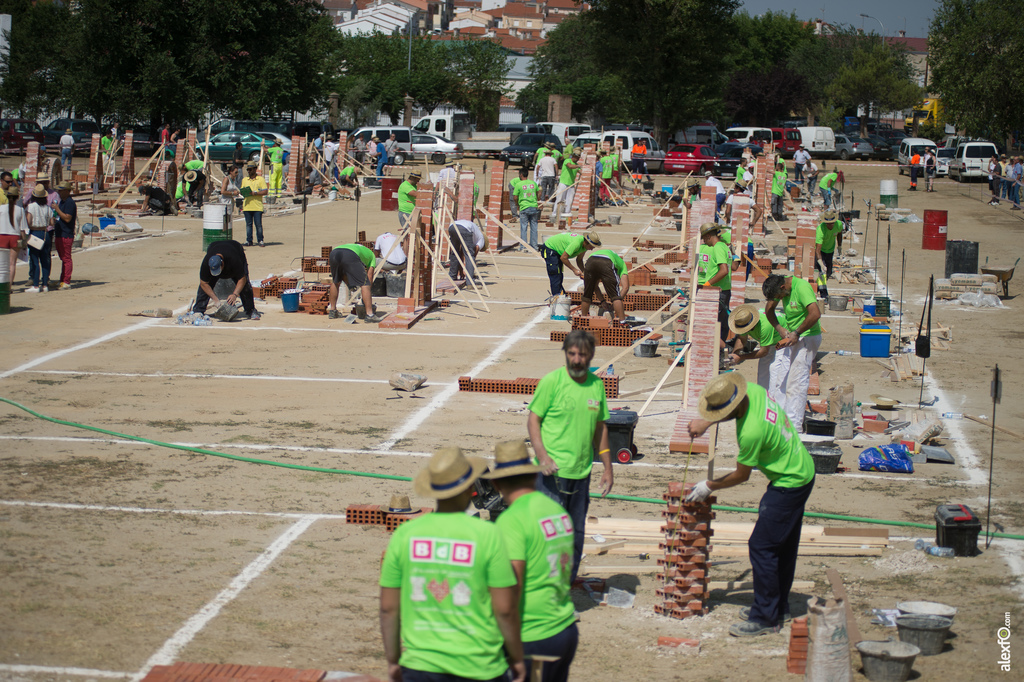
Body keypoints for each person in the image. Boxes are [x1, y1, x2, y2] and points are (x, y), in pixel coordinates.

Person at [380, 447, 526, 682]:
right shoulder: (488, 535)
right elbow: (505, 609)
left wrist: (393, 660)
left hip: (420, 666)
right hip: (479, 665)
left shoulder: (405, 535)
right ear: (471, 488)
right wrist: (517, 658)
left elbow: (388, 609)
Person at [685, 372, 815, 636]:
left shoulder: (751, 432)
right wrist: (706, 423)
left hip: (789, 483)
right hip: (801, 469)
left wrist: (709, 485)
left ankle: (766, 618)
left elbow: (741, 475)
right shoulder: (753, 391)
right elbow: (732, 409)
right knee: (783, 545)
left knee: (762, 546)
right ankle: (779, 607)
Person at [485, 441, 578, 682]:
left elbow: (511, 588)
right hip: (564, 627)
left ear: (496, 483)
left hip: (532, 635)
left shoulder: (511, 520)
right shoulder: (557, 511)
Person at [528, 329, 613, 583]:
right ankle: (545, 592)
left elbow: (601, 427)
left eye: (582, 355)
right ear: (566, 353)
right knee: (550, 537)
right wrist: (541, 455)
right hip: (550, 476)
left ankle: (562, 591)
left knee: (575, 536)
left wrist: (608, 468)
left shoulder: (597, 386)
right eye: (572, 354)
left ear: (591, 356)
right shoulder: (551, 382)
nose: (576, 360)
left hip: (581, 474)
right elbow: (534, 420)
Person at [762, 273, 822, 433]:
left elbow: (815, 314)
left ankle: (794, 429)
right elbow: (769, 310)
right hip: (793, 337)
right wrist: (780, 329)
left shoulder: (801, 287)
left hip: (808, 337)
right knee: (782, 379)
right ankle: (780, 420)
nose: (779, 299)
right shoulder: (780, 288)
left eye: (778, 296)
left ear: (783, 287)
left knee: (797, 383)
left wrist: (797, 332)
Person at [193, 240, 261, 320]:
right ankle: (198, 310)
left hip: (235, 250)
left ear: (222, 264)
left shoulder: (233, 259)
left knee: (245, 286)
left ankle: (251, 310)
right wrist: (215, 300)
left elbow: (242, 279)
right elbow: (203, 283)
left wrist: (235, 294)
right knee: (206, 285)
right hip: (214, 246)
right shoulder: (207, 262)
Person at [726, 305, 783, 399]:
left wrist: (741, 357)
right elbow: (742, 340)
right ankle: (763, 398)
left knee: (774, 371)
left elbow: (764, 352)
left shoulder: (765, 326)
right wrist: (735, 354)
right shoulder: (744, 320)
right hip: (770, 342)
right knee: (763, 373)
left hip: (784, 341)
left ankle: (773, 401)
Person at [327, 243, 387, 323]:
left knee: (336, 281)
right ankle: (370, 315)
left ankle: (333, 311)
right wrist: (367, 292)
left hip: (334, 252)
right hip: (350, 254)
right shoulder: (372, 257)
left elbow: (345, 271)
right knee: (365, 283)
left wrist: (349, 284)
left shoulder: (358, 248)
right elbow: (369, 277)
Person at [697, 223, 732, 345]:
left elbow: (724, 270)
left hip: (718, 292)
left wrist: (707, 284)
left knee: (713, 325)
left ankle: (721, 351)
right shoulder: (724, 246)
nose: (704, 242)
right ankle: (720, 355)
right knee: (721, 325)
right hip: (724, 290)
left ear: (708, 236)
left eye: (704, 239)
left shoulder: (717, 247)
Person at [539, 231, 600, 297]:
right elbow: (563, 258)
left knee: (559, 275)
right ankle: (557, 298)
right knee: (555, 274)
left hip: (558, 251)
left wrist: (584, 272)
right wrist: (574, 270)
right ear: (586, 242)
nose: (592, 249)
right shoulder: (576, 243)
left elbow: (579, 260)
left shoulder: (584, 247)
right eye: (592, 246)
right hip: (550, 248)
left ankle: (561, 295)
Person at [579, 246, 630, 321]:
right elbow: (625, 288)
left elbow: (595, 286)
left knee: (587, 294)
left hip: (591, 260)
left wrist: (602, 301)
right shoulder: (622, 265)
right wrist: (615, 302)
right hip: (606, 261)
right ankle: (623, 322)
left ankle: (582, 320)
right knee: (615, 296)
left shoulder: (615, 258)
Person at [24, 183, 53, 293]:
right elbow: (51, 222)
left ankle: (36, 285)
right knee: (45, 259)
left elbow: (29, 222)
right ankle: (45, 284)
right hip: (45, 232)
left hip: (35, 233)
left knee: (35, 259)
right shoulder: (47, 208)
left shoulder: (31, 207)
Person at [0, 181, 27, 287]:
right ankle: (9, 286)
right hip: (14, 237)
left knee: (2, 263)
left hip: (1, 235)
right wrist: (24, 242)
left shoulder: (1, 208)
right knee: (12, 264)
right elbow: (23, 229)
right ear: (17, 198)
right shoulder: (20, 210)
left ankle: (2, 284)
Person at [51, 181, 77, 290]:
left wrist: (57, 209)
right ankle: (63, 279)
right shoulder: (62, 202)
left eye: (61, 190)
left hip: (66, 234)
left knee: (66, 258)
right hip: (60, 233)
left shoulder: (70, 203)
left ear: (67, 191)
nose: (59, 192)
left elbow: (67, 218)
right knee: (63, 258)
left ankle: (66, 281)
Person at [447, 218, 484, 284]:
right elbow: (472, 255)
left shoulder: (475, 233)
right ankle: (470, 282)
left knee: (455, 252)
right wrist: (464, 271)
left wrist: (461, 270)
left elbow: (461, 252)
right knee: (470, 256)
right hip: (465, 229)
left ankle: (452, 276)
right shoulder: (481, 240)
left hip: (452, 227)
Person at [241, 162, 268, 247]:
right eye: (248, 169)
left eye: (250, 169)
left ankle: (260, 240)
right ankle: (249, 240)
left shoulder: (260, 179)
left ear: (255, 169)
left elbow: (265, 191)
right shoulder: (244, 180)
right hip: (247, 206)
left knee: (258, 224)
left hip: (257, 206)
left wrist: (255, 193)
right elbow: (242, 191)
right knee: (248, 225)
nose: (249, 171)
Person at [513, 168, 540, 250]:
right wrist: (536, 200)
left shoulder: (518, 184)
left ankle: (523, 246)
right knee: (534, 227)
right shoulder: (533, 183)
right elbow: (538, 193)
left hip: (524, 207)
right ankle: (534, 246)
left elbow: (515, 197)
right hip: (534, 207)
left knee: (524, 227)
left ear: (521, 175)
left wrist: (517, 204)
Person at [814, 209, 842, 281]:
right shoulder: (820, 229)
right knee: (822, 271)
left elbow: (839, 234)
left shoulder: (839, 224)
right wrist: (821, 263)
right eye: (828, 223)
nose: (830, 225)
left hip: (830, 250)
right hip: (822, 251)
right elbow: (818, 250)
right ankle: (820, 289)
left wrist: (839, 246)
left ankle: (823, 284)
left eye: (832, 223)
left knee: (829, 272)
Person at [552, 151, 580, 224]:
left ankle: (566, 214)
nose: (578, 159)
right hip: (563, 183)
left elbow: (581, 171)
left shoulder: (576, 164)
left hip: (571, 184)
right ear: (574, 156)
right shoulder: (568, 161)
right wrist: (579, 166)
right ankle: (555, 214)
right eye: (577, 157)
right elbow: (570, 166)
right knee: (560, 198)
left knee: (569, 200)